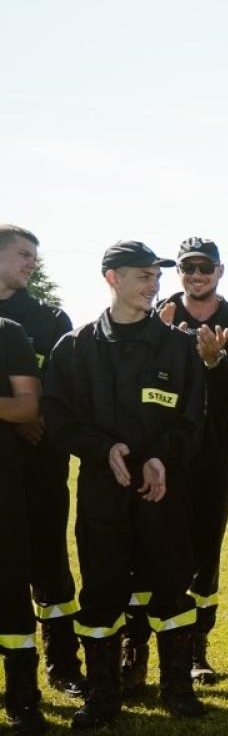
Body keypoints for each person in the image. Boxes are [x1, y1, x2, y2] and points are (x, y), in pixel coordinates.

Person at [42, 241, 207, 728]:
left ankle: (177, 688)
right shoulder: (76, 347)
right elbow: (58, 417)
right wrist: (102, 448)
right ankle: (103, 695)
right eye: (142, 276)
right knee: (102, 591)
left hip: (162, 490)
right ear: (111, 279)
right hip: (102, 492)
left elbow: (192, 419)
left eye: (156, 276)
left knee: (173, 586)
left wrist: (160, 457)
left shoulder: (179, 348)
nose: (154, 284)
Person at [155, 237, 228, 685]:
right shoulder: (158, 316)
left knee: (205, 550)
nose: (196, 276)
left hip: (214, 454)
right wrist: (159, 337)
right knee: (156, 546)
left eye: (205, 268)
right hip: (162, 453)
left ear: (221, 271)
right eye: (188, 268)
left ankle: (197, 648)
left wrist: (218, 361)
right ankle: (144, 648)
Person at [0, 225, 80, 698]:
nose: (31, 263)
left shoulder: (49, 319)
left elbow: (65, 384)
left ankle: (64, 664)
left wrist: (35, 418)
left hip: (43, 458)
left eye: (35, 256)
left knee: (50, 558)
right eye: (22, 254)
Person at [0, 313, 45, 736]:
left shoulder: (8, 332)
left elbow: (27, 405)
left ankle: (23, 699)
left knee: (10, 585)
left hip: (4, 484)